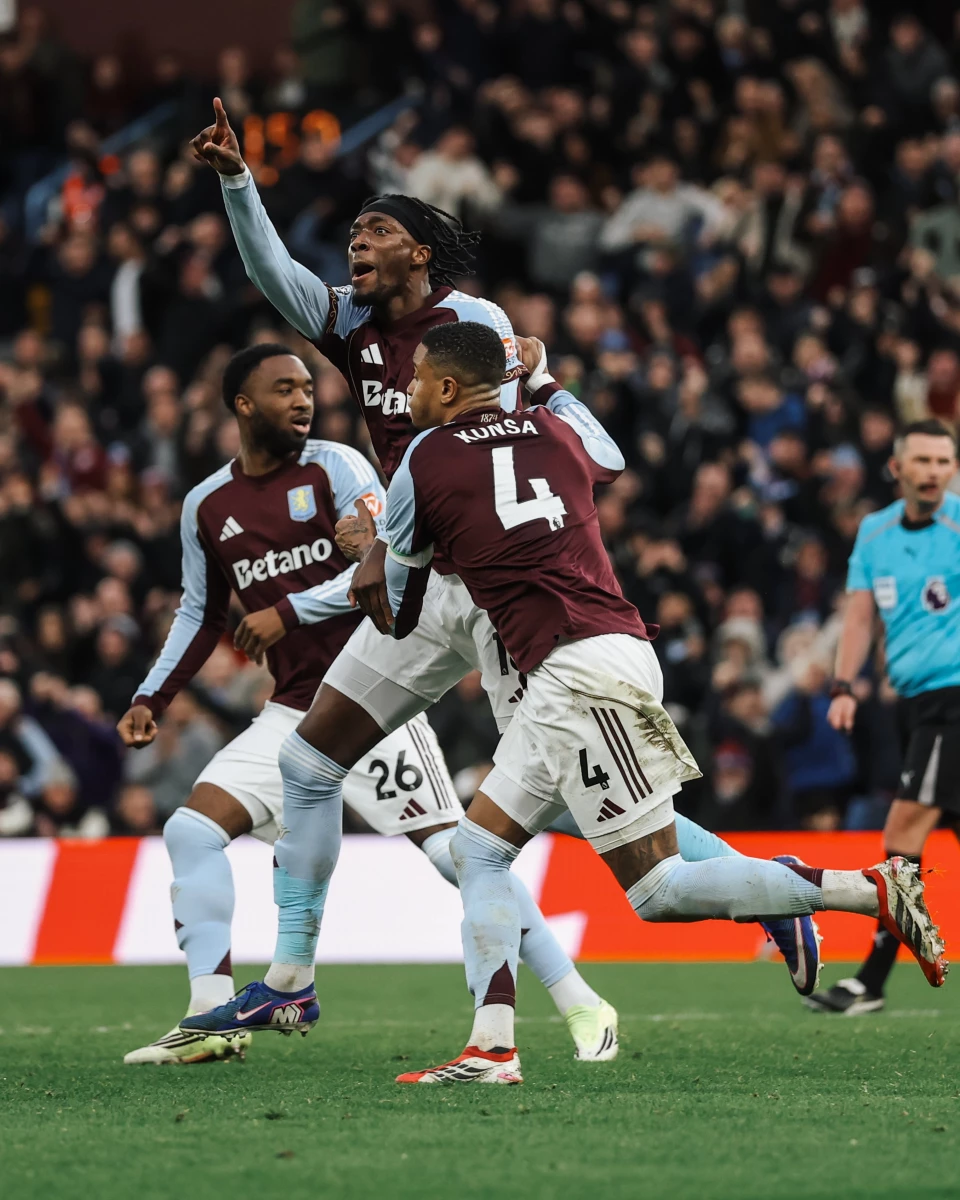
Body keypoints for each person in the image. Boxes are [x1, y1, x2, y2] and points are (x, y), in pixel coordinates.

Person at [179, 102, 822, 1048]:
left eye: (378, 232)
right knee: (310, 761)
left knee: (571, 793)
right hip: (418, 582)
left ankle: (770, 889)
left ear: (421, 256)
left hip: (493, 591)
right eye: (353, 234)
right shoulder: (351, 327)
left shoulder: (473, 322)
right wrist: (239, 181)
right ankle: (291, 978)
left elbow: (521, 447)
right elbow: (272, 272)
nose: (357, 246)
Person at [367, 323, 942, 1084]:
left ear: (445, 388)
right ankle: (492, 1044)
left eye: (414, 381)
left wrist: (367, 550)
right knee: (479, 850)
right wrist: (545, 382)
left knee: (657, 891)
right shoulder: (549, 428)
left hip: (576, 671)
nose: (405, 394)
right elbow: (611, 458)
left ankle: (861, 889)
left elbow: (398, 613)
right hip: (601, 656)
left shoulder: (422, 457)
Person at [119, 343, 616, 1065]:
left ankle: (578, 998)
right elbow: (200, 612)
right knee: (192, 831)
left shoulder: (339, 467)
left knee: (458, 857)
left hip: (372, 706)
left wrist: (288, 610)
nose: (303, 399)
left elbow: (386, 559)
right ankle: (210, 1018)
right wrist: (150, 695)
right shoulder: (207, 505)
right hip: (294, 710)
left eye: (307, 386)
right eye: (283, 388)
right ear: (242, 404)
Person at [807, 419, 960, 1015]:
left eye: (943, 462)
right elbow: (859, 618)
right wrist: (844, 684)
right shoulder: (874, 533)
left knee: (902, 837)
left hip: (953, 699)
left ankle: (871, 979)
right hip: (914, 704)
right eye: (922, 461)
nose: (933, 472)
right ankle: (872, 978)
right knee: (913, 841)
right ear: (897, 468)